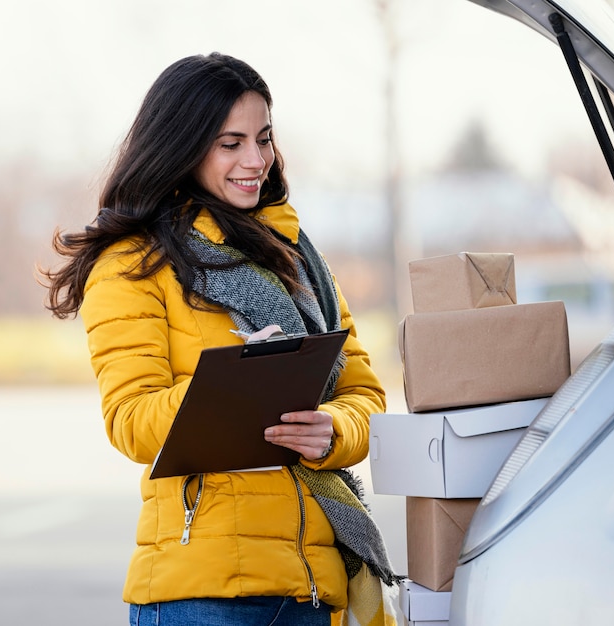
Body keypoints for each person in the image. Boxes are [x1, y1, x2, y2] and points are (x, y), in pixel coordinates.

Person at [43, 53, 399, 626]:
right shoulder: (133, 264)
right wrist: (234, 383)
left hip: (314, 586)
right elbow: (130, 420)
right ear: (182, 146)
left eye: (263, 139)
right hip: (202, 594)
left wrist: (334, 430)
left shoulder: (298, 259)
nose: (255, 160)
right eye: (230, 143)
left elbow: (364, 393)